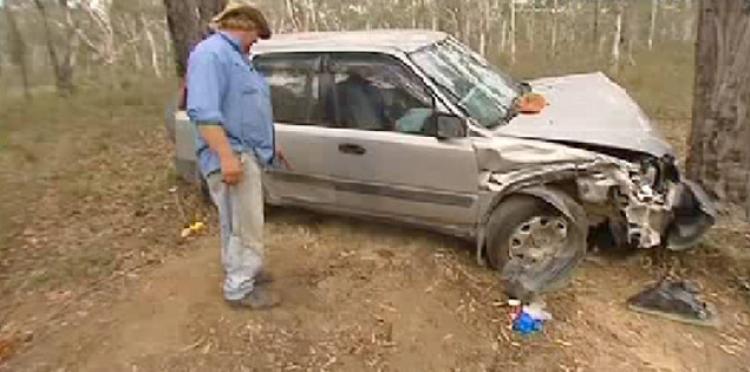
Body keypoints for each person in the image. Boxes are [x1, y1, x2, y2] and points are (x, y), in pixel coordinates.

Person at [186, 1, 280, 309]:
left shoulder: (237, 58)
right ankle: (240, 288)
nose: (256, 42)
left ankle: (242, 270)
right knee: (245, 224)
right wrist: (227, 157)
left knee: (238, 220)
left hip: (246, 150)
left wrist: (270, 143)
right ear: (245, 25)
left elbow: (246, 109)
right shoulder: (211, 55)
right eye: (256, 35)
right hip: (233, 154)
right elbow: (204, 113)